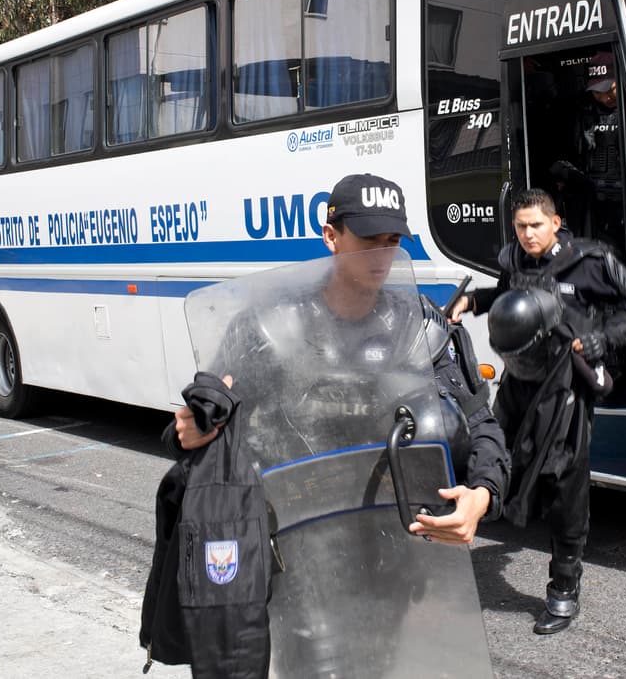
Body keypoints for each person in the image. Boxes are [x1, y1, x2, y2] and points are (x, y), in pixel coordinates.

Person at [168, 172, 509, 543]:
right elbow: (207, 417)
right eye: (368, 240)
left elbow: (479, 425)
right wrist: (193, 428)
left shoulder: (419, 327)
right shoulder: (274, 326)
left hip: (397, 539)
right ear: (332, 237)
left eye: (391, 241)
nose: (382, 255)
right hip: (297, 535)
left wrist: (482, 494)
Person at [448, 187, 626, 635]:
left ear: (555, 223)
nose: (527, 234)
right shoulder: (516, 259)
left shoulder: (593, 261)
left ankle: (563, 587)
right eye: (520, 226)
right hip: (520, 379)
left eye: (535, 225)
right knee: (489, 454)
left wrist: (603, 339)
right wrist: (473, 302)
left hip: (567, 387)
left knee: (564, 486)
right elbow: (506, 293)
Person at [549, 50, 626, 248]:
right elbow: (562, 157)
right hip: (592, 206)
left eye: (610, 89)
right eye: (598, 91)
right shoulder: (581, 114)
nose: (604, 96)